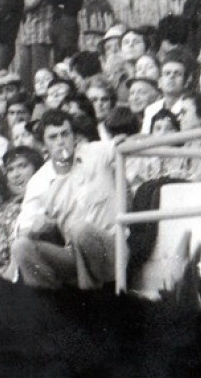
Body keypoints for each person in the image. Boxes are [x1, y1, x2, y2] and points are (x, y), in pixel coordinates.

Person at [10, 110, 124, 290]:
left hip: (112, 248)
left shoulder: (96, 152)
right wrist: (36, 228)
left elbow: (127, 144)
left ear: (74, 137)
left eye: (65, 134)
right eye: (53, 137)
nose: (60, 141)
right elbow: (24, 230)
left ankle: (90, 302)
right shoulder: (39, 182)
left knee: (80, 229)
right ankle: (50, 309)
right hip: (73, 254)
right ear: (44, 146)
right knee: (21, 247)